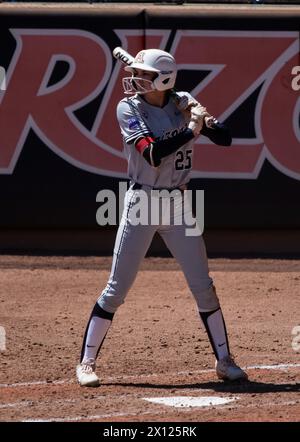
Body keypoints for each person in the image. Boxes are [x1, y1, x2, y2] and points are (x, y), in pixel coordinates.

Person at [76, 49, 248, 387]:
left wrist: (203, 118)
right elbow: (152, 153)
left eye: (145, 74)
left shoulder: (183, 101)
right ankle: (86, 363)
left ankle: (225, 361)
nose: (137, 78)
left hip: (180, 205)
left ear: (165, 80)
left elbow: (226, 138)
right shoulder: (129, 107)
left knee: (204, 287)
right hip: (143, 202)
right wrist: (192, 130)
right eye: (136, 71)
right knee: (116, 290)